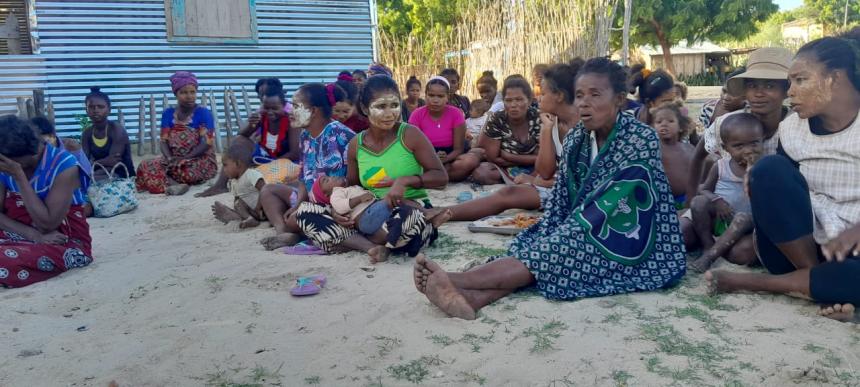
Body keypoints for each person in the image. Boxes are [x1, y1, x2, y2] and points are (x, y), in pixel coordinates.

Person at [413, 57, 686, 320]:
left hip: (631, 238)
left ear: (618, 99)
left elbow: (611, 200)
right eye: (579, 95)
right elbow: (563, 200)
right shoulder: (578, 138)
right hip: (588, 224)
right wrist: (555, 230)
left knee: (556, 249)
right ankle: (474, 299)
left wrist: (566, 234)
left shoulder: (641, 138)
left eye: (595, 95)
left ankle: (457, 280)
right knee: (542, 243)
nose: (585, 103)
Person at [707, 30, 860, 322]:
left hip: (852, 250)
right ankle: (818, 281)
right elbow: (785, 192)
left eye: (800, 80)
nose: (791, 92)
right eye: (790, 82)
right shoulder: (792, 130)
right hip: (796, 247)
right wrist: (759, 183)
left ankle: (761, 283)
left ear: (836, 79)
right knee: (769, 169)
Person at [295, 75, 448, 262]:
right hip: (370, 212)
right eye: (381, 106)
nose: (390, 113)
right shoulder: (356, 145)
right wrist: (338, 212)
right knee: (306, 212)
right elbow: (352, 188)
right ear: (366, 108)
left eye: (394, 105)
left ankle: (365, 239)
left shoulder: (410, 134)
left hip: (407, 211)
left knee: (409, 220)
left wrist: (405, 181)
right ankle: (373, 247)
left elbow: (441, 177)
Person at [425, 60, 582, 222]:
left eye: (543, 93)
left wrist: (542, 180)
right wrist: (547, 130)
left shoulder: (585, 125)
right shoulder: (550, 123)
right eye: (509, 100)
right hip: (560, 189)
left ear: (559, 96)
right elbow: (545, 171)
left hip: (583, 195)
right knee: (507, 194)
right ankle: (442, 213)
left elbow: (578, 176)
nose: (539, 98)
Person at [686, 48, 793, 207]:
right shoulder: (728, 123)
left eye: (769, 86)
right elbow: (697, 156)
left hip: (776, 209)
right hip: (727, 209)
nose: (759, 93)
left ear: (786, 91)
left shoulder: (797, 127)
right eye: (752, 86)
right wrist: (690, 202)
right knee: (685, 226)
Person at [258, 83, 355, 250]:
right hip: (311, 201)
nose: (290, 111)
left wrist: (308, 208)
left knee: (296, 219)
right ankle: (283, 233)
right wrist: (299, 204)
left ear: (314, 111)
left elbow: (351, 182)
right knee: (268, 191)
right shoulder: (305, 136)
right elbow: (304, 176)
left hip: (336, 205)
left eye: (296, 106)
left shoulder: (341, 136)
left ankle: (293, 230)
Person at [0, 115, 93, 288]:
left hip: (64, 241)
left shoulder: (64, 164)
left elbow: (47, 224)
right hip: (20, 233)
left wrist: (19, 177)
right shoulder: (6, 163)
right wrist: (33, 235)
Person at [197, 78, 300, 198]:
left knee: (268, 174)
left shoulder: (291, 121)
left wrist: (270, 164)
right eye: (266, 108)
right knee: (238, 141)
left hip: (285, 160)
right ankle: (221, 185)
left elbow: (294, 153)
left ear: (284, 106)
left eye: (275, 108)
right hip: (264, 156)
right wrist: (251, 125)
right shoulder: (262, 116)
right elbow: (242, 135)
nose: (270, 112)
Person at [687, 113, 763, 272]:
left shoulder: (766, 167)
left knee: (742, 219)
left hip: (747, 224)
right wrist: (717, 200)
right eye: (739, 146)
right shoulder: (721, 166)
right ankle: (708, 246)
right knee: (698, 202)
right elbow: (704, 189)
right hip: (721, 217)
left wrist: (755, 173)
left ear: (762, 140)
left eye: (755, 143)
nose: (748, 150)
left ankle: (710, 256)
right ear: (725, 147)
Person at [136, 71, 217, 195]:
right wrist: (169, 158)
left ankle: (168, 181)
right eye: (184, 92)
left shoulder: (203, 113)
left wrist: (185, 158)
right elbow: (163, 141)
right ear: (176, 94)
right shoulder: (168, 113)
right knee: (145, 165)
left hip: (199, 158)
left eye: (192, 92)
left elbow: (206, 143)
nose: (189, 96)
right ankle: (177, 185)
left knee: (185, 170)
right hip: (174, 159)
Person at [470, 75, 542, 185]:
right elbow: (493, 158)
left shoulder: (538, 117)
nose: (513, 105)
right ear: (503, 102)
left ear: (529, 101)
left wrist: (509, 156)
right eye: (508, 100)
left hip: (536, 169)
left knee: (553, 170)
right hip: (506, 167)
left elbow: (544, 157)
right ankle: (519, 181)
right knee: (481, 173)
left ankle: (525, 181)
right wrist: (531, 158)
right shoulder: (497, 119)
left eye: (519, 99)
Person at [408, 76, 472, 181]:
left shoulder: (456, 114)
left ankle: (435, 175)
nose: (435, 100)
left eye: (440, 96)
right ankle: (440, 174)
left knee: (468, 161)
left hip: (451, 156)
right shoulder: (417, 115)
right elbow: (412, 148)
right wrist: (433, 159)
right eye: (431, 95)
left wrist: (445, 159)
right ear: (425, 96)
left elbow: (458, 149)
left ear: (447, 97)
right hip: (424, 157)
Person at [80, 87, 135, 182]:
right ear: (86, 110)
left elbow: (113, 162)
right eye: (91, 107)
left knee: (88, 180)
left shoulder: (116, 130)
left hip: (120, 174)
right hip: (98, 171)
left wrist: (94, 163)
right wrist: (98, 163)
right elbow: (84, 162)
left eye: (100, 107)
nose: (96, 110)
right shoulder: (87, 133)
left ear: (109, 109)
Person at [211, 138, 267, 229]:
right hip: (251, 212)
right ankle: (247, 218)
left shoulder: (250, 174)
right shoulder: (233, 182)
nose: (224, 170)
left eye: (225, 165)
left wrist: (258, 206)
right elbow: (237, 199)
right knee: (237, 202)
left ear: (238, 163)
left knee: (238, 202)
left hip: (262, 209)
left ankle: (237, 216)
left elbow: (265, 189)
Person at [652, 101, 694, 209]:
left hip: (693, 198)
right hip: (667, 203)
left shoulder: (688, 148)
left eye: (670, 121)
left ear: (681, 127)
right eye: (659, 122)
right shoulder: (654, 150)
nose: (664, 124)